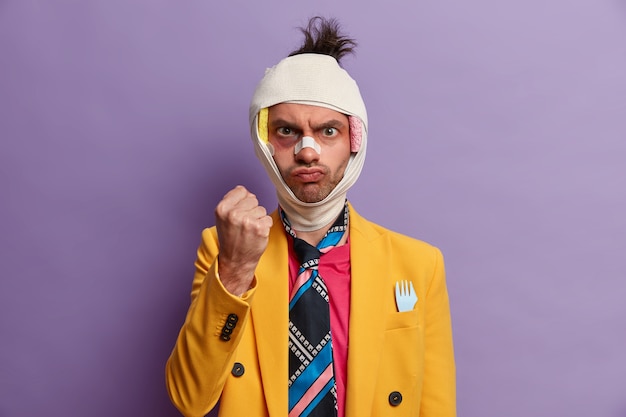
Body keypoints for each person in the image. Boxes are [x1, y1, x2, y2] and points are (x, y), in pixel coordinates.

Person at [166, 16, 456, 417]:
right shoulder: (222, 251)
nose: (307, 151)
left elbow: (436, 407)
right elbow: (189, 398)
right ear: (265, 141)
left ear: (355, 141)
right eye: (287, 131)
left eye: (328, 131)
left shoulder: (418, 265)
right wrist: (234, 272)